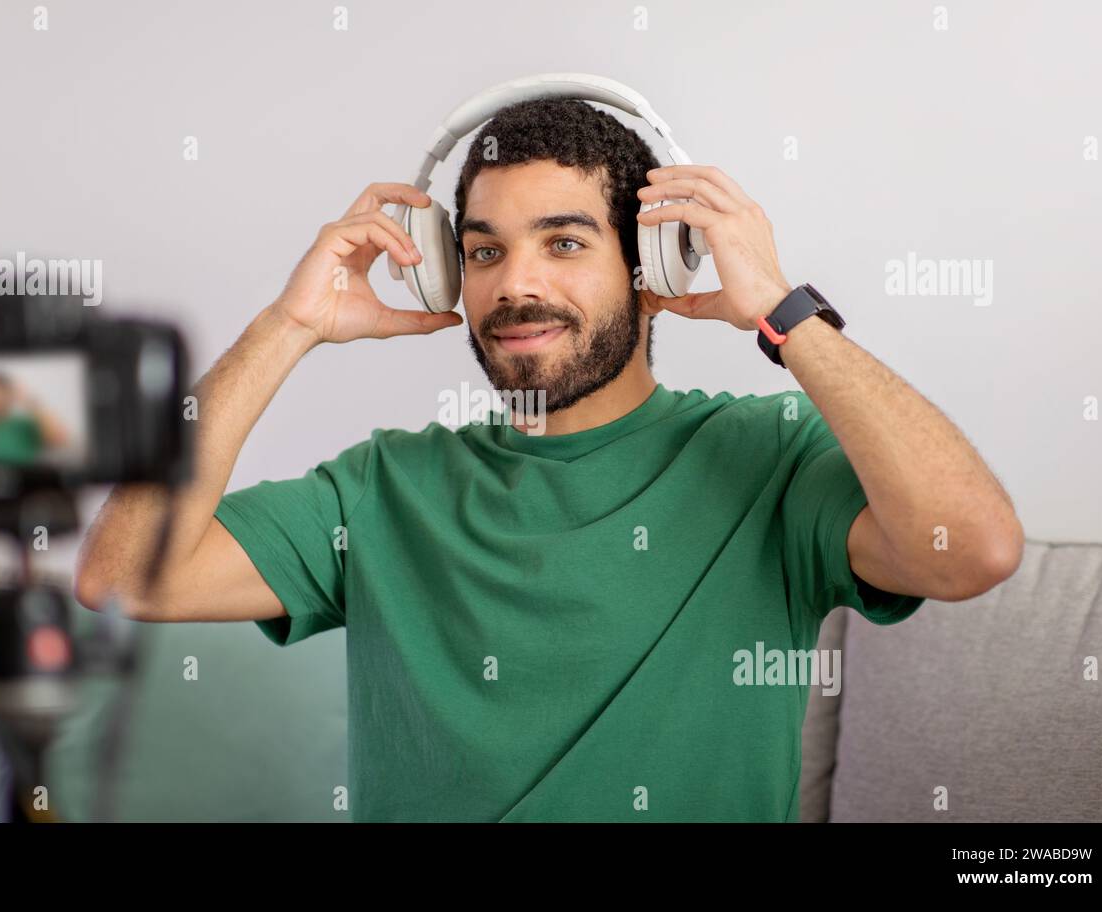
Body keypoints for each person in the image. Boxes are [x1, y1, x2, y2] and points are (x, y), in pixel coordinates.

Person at [74, 98, 1024, 822]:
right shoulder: (384, 488)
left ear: (652, 271)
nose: (516, 284)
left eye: (564, 242)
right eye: (483, 253)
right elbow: (122, 578)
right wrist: (287, 327)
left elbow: (972, 549)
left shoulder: (766, 460)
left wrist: (783, 311)